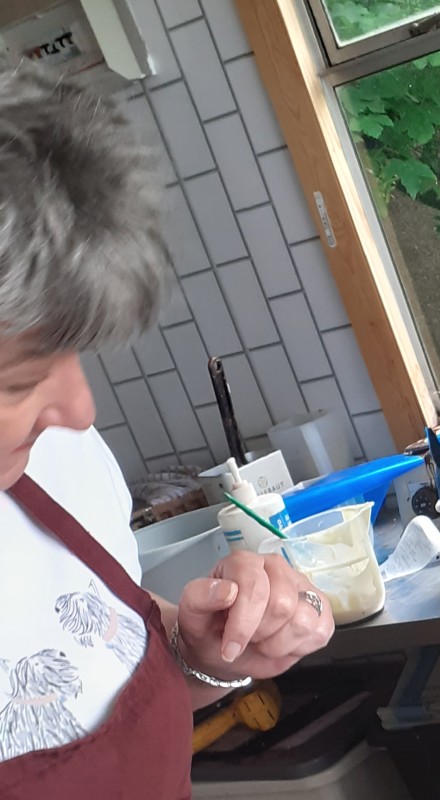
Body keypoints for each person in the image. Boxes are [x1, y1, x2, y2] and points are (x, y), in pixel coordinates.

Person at [0, 62, 332, 796]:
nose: (79, 412)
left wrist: (207, 649)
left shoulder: (60, 463)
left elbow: (102, 664)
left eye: (76, 352)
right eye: (19, 380)